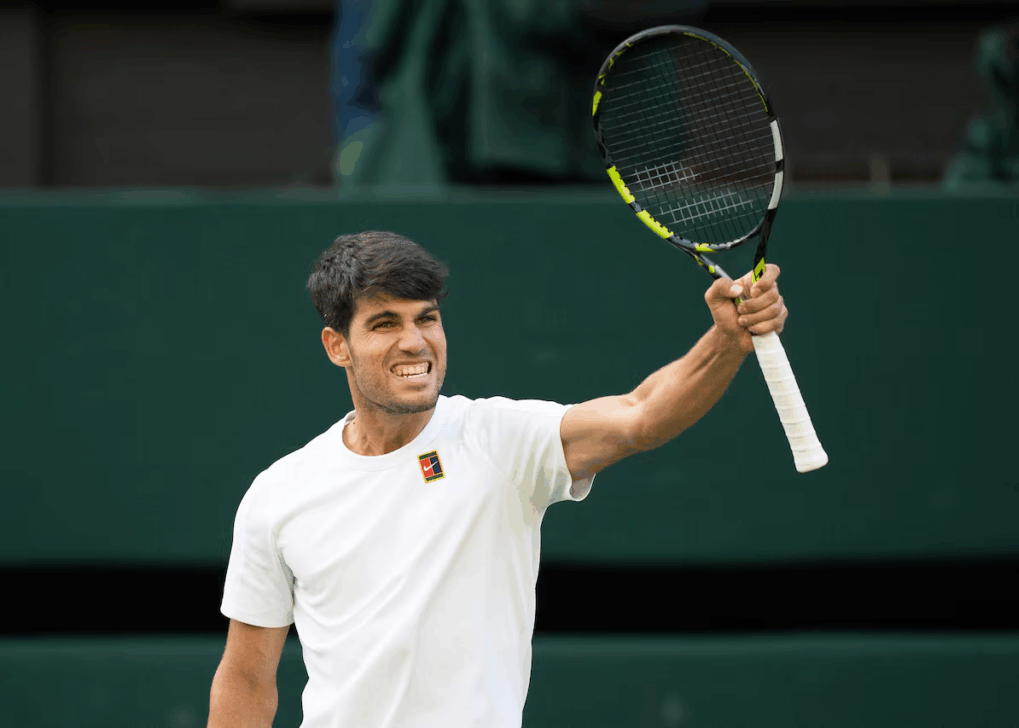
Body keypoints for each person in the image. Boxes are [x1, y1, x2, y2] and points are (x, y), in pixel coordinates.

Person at [207, 230, 789, 728]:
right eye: (385, 323)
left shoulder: (500, 441)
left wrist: (726, 342)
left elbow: (641, 414)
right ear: (338, 346)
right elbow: (247, 679)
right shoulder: (279, 494)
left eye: (426, 318)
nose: (415, 341)